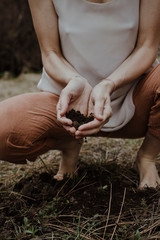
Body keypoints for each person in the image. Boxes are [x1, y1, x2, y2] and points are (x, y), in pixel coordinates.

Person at [0, 0, 160, 189]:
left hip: (134, 99)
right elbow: (50, 52)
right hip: (68, 105)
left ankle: (147, 157)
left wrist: (108, 85)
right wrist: (75, 80)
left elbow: (147, 46)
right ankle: (69, 143)